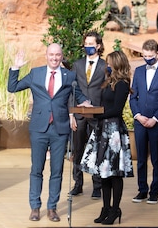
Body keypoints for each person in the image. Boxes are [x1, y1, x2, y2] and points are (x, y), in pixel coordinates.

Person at [7, 43, 92, 222]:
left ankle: (52, 208)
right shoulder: (35, 73)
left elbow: (79, 95)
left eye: (58, 55)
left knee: (57, 171)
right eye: (51, 54)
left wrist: (85, 102)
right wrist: (15, 67)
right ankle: (35, 207)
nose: (54, 58)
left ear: (61, 57)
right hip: (39, 128)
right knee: (36, 169)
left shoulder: (69, 76)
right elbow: (12, 87)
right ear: (46, 55)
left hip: (60, 129)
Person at [80, 50, 134, 225]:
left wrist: (95, 115)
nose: (107, 65)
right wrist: (91, 109)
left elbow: (116, 110)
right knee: (104, 172)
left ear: (117, 64)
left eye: (110, 63)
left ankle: (115, 209)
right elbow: (104, 106)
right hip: (103, 129)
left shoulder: (122, 84)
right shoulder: (108, 81)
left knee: (114, 174)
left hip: (114, 132)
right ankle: (105, 208)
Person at [129, 39, 158, 204]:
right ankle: (142, 190)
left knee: (155, 159)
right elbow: (133, 97)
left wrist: (155, 118)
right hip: (140, 121)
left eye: (150, 56)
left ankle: (155, 191)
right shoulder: (139, 71)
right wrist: (138, 115)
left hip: (156, 122)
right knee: (140, 159)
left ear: (157, 54)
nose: (147, 58)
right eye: (144, 55)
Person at [69, 31, 106, 199]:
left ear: (98, 45)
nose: (88, 46)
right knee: (77, 150)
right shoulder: (77, 65)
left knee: (96, 150)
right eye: (86, 43)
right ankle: (78, 184)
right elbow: (72, 90)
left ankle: (97, 185)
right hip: (79, 115)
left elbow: (107, 91)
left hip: (97, 115)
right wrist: (71, 114)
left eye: (92, 44)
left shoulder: (105, 66)